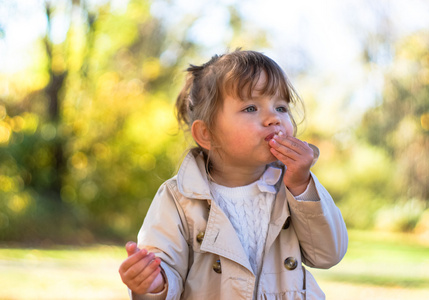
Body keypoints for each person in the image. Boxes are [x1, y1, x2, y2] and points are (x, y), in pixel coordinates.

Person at [118, 49, 348, 300]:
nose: (274, 118)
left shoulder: (295, 186)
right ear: (206, 134)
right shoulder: (178, 198)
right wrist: (154, 282)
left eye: (281, 107)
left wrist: (302, 186)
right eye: (251, 108)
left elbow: (328, 254)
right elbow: (166, 265)